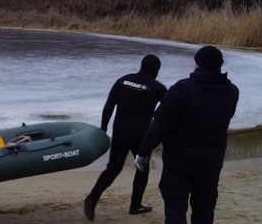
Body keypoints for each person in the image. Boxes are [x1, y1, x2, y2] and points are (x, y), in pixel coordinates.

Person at [135, 46, 239, 224]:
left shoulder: (183, 89)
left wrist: (143, 152)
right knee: (205, 208)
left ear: (197, 64)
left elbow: (160, 123)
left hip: (179, 162)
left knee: (175, 207)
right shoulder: (231, 91)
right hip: (211, 161)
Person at [84, 54, 167, 221]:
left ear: (141, 65)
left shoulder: (123, 80)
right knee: (142, 168)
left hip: (120, 132)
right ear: (156, 70)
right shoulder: (158, 87)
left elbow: (109, 105)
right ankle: (135, 205)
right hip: (141, 136)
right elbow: (170, 108)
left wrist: (103, 128)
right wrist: (155, 116)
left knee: (113, 168)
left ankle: (93, 197)